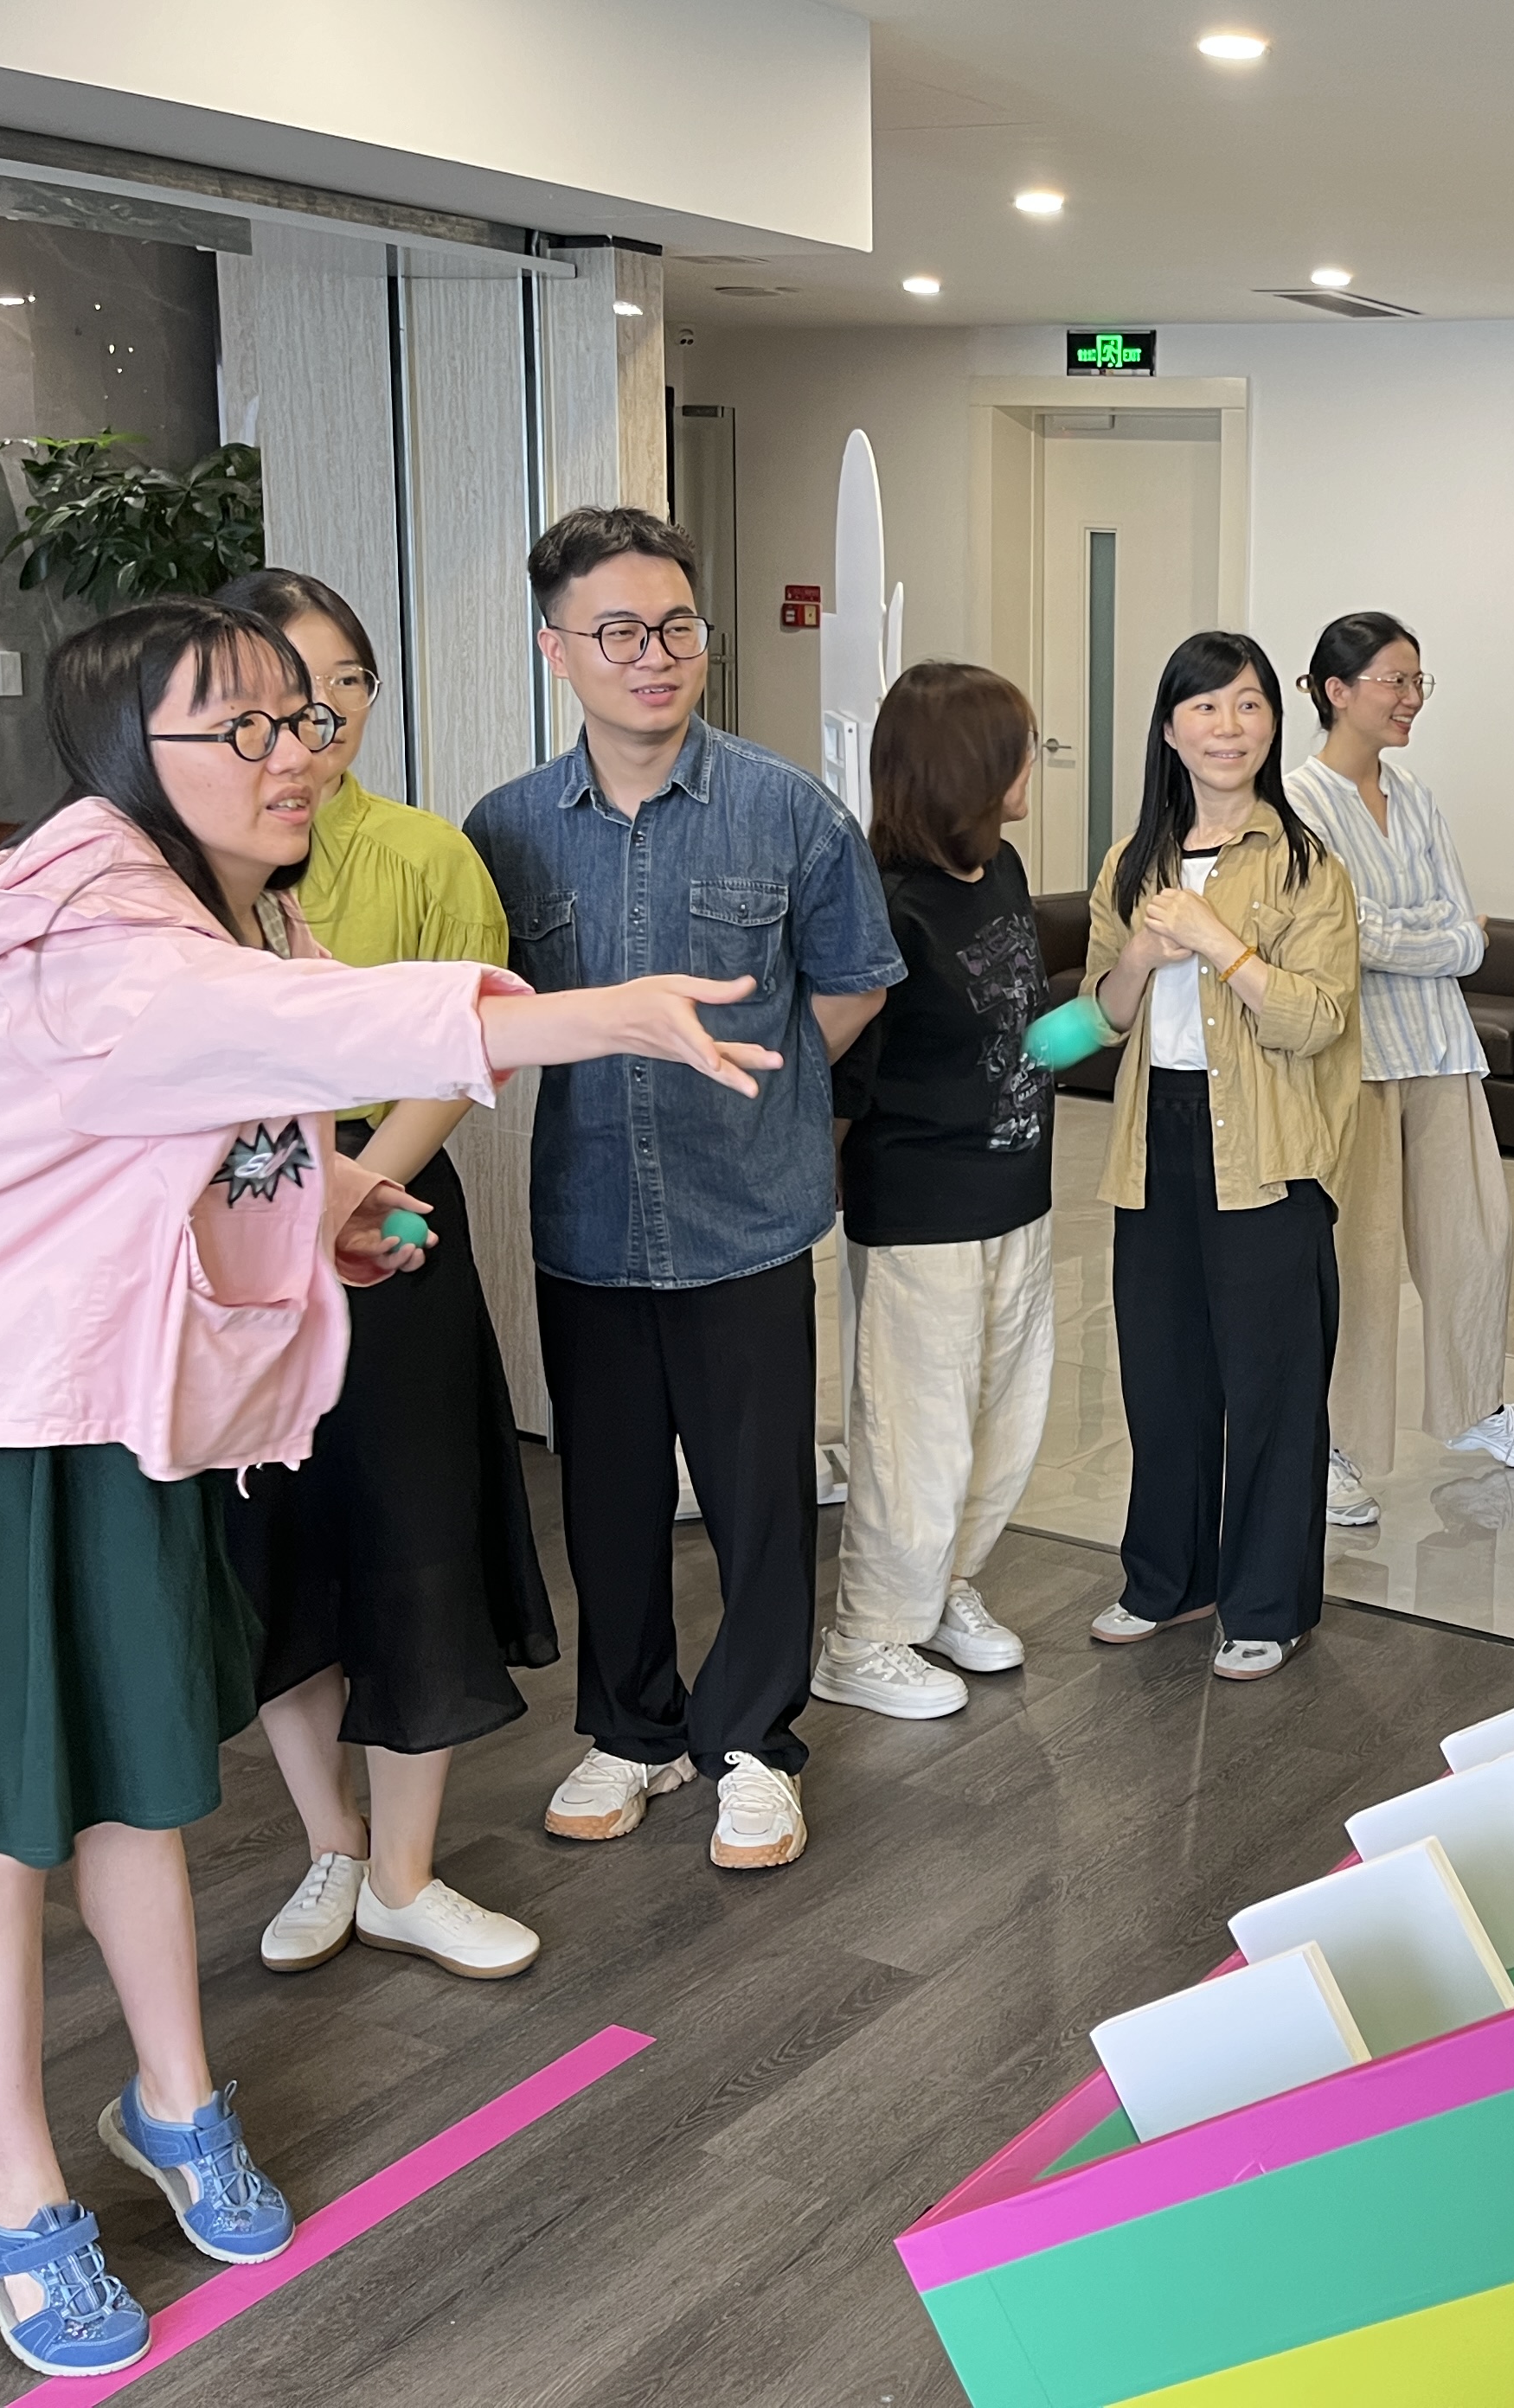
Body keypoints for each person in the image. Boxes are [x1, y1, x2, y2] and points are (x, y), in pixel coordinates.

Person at [0, 599, 780, 2379]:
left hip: (131, 1416)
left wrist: (334, 1207)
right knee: (2, 1831)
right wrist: (604, 1016)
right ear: (131, 758)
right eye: (244, 728)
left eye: (305, 716)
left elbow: (245, 1122)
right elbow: (294, 1032)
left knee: (139, 1795)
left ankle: (174, 2101)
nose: (296, 754)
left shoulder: (237, 908)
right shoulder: (96, 934)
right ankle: (13, 2199)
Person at [465, 506, 902, 1873]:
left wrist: (760, 1088)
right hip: (588, 1219)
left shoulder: (787, 809)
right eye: (618, 632)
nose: (653, 656)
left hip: (747, 1216)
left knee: (761, 1502)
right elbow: (487, 1013)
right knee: (605, 1501)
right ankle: (632, 1731)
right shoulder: (507, 830)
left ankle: (755, 1744)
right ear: (557, 650)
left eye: (675, 627)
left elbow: (855, 980)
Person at [206, 572, 551, 1987]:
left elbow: (466, 1045)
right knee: (278, 1538)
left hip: (392, 1216)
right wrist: (290, 1208)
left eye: (346, 680)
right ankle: (330, 1845)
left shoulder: (425, 851)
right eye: (289, 687)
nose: (321, 712)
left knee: (416, 1532)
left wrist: (356, 1194)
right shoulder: (196, 872)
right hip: (238, 1229)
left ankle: (406, 1874)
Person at [1081, 630, 1361, 1680]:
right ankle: (1169, 1580)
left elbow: (1317, 1020)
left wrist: (1218, 943)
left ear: (1274, 724)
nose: (1228, 727)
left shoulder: (1306, 866)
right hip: (1155, 1140)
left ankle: (1268, 1606)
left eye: (1248, 705)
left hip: (1270, 1150)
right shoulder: (1130, 863)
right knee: (1164, 1380)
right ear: (1169, 729)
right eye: (1205, 707)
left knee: (1273, 1390)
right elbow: (1093, 1022)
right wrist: (1140, 954)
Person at [815, 661, 1058, 1722]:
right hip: (920, 1208)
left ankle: (944, 1583)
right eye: (1018, 750)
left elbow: (1022, 1030)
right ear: (965, 768)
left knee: (1005, 1414)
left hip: (1017, 1191)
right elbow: (842, 1078)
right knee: (916, 1431)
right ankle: (867, 1636)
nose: (1030, 766)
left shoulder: (1000, 870)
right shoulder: (886, 907)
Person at [1286, 612, 1514, 1527]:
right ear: (1337, 691)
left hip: (1441, 1048)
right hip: (1354, 1062)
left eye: (1417, 682)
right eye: (1395, 681)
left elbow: (1471, 933)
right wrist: (1439, 939)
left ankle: (1474, 1406)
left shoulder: (1417, 797)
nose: (1411, 699)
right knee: (1358, 1265)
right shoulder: (1298, 804)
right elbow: (1340, 935)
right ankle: (1333, 1447)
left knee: (1477, 1239)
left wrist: (1429, 939)